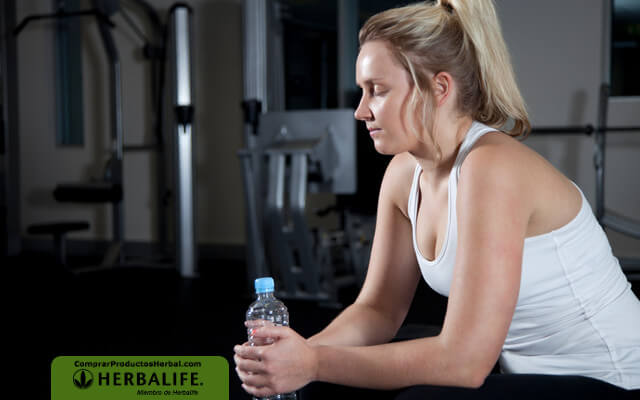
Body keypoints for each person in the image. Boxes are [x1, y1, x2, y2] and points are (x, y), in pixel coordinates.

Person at [234, 0, 640, 398]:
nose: (360, 111)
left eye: (376, 91)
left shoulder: (491, 168)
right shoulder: (403, 173)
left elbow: (463, 362)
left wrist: (315, 364)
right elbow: (379, 310)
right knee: (324, 386)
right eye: (362, 91)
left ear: (439, 88)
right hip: (535, 379)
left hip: (613, 378)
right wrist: (301, 355)